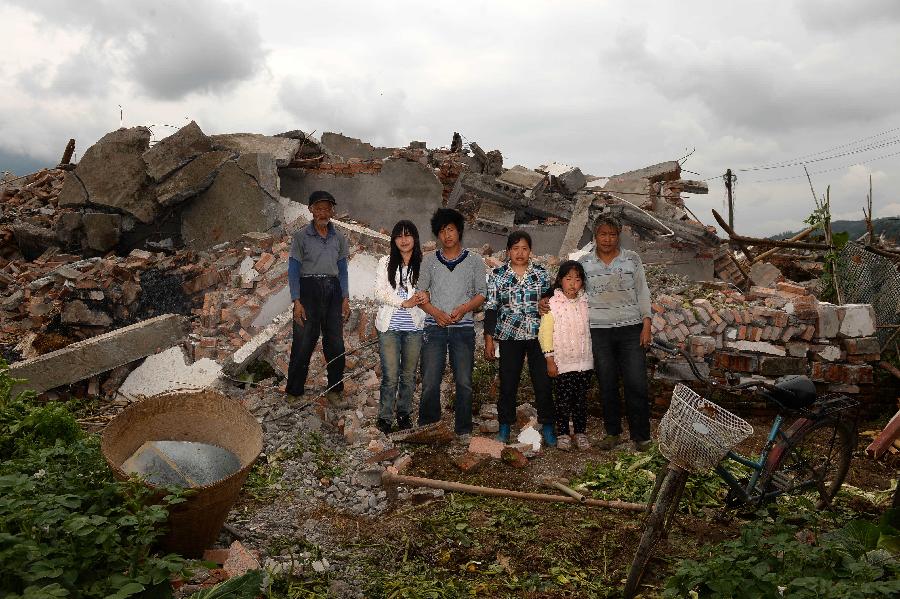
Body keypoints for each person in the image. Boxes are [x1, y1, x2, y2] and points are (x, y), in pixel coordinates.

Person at [579, 215, 652, 451]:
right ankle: (612, 433)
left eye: (612, 234)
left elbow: (642, 291)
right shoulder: (584, 262)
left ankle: (641, 436)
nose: (607, 239)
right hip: (599, 332)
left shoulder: (632, 259)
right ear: (595, 236)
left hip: (631, 330)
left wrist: (646, 323)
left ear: (618, 236)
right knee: (607, 383)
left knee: (636, 383)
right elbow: (571, 290)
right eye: (603, 234)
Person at [417, 208, 487, 442]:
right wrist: (436, 313)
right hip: (434, 327)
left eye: (451, 229)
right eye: (442, 231)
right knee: (429, 381)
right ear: (437, 235)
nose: (447, 235)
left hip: (463, 328)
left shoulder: (474, 260)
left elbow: (481, 294)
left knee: (464, 382)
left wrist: (463, 309)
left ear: (459, 231)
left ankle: (464, 429)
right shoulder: (429, 261)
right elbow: (420, 295)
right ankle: (429, 427)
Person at [484, 231, 555, 446]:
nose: (520, 253)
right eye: (515, 248)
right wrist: (489, 338)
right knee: (508, 383)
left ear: (530, 252)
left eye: (524, 248)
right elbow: (491, 308)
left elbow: (551, 302)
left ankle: (549, 426)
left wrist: (548, 302)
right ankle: (505, 426)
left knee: (543, 382)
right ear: (508, 252)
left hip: (537, 336)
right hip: (509, 335)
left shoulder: (541, 274)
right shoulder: (498, 275)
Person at [285, 190, 351, 406]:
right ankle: (294, 392)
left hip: (333, 291)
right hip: (308, 290)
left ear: (332, 211)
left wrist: (345, 297)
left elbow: (342, 269)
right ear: (311, 210)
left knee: (336, 344)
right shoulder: (301, 237)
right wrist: (296, 301)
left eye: (327, 208)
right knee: (303, 343)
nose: (323, 212)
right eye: (319, 208)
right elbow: (293, 270)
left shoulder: (339, 237)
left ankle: (334, 390)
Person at [373, 220, 428, 434]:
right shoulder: (385, 262)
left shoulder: (424, 263)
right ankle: (385, 417)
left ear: (415, 238)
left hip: (414, 327)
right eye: (399, 236)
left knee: (408, 374)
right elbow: (379, 291)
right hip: (389, 327)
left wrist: (426, 295)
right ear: (394, 240)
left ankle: (404, 414)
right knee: (390, 375)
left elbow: (431, 289)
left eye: (408, 235)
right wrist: (402, 302)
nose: (404, 240)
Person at [538, 260, 593, 450]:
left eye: (577, 279)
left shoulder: (587, 303)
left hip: (584, 363)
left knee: (580, 401)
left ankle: (580, 432)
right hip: (562, 363)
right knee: (562, 401)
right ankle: (562, 433)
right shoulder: (552, 304)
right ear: (560, 280)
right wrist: (550, 360)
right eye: (568, 278)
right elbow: (545, 334)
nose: (572, 283)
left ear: (583, 283)